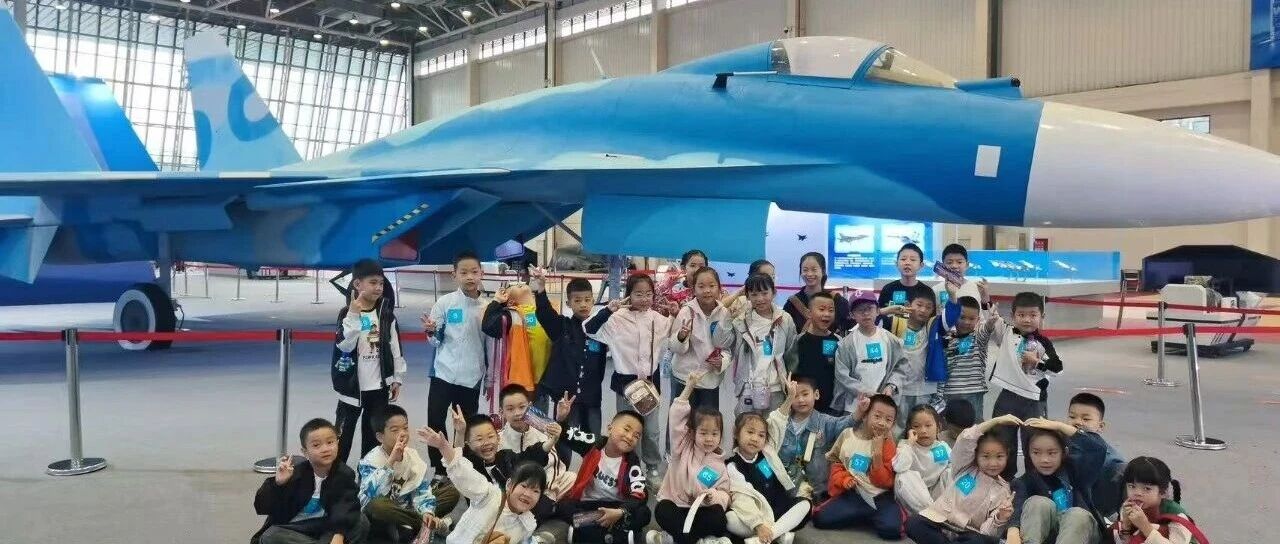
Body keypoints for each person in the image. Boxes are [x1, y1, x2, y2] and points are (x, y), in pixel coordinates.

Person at [585, 272, 674, 485]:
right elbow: (588, 329)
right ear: (629, 295)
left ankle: (652, 467)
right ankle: (630, 467)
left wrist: (675, 313)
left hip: (650, 386)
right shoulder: (616, 319)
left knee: (651, 431)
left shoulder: (657, 319)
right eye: (638, 294)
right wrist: (608, 310)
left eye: (648, 294)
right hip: (626, 385)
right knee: (627, 430)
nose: (644, 299)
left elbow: (676, 332)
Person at [904, 415, 1023, 544]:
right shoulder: (965, 466)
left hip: (968, 534)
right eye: (986, 456)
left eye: (999, 456)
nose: (993, 463)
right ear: (976, 455)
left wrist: (1000, 517)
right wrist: (996, 421)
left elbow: (987, 533)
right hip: (941, 522)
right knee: (914, 523)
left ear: (1007, 456)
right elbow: (966, 439)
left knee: (977, 541)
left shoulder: (1003, 491)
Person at [529, 269, 607, 464]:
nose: (583, 304)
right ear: (568, 303)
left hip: (592, 397)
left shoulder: (602, 330)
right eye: (577, 300)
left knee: (594, 443)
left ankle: (591, 477)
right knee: (564, 439)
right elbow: (545, 314)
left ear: (593, 301)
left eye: (587, 300)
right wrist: (540, 289)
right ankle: (561, 473)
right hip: (566, 399)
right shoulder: (561, 327)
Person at [332, 259, 406, 464]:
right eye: (373, 283)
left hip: (378, 389)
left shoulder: (387, 315)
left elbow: (395, 348)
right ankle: (337, 477)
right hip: (351, 388)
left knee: (373, 438)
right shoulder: (346, 314)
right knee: (342, 436)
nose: (378, 287)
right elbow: (345, 345)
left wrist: (397, 378)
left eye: (381, 283)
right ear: (357, 284)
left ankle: (368, 476)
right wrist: (353, 315)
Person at [421, 250, 488, 475]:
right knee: (435, 421)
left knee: (466, 425)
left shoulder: (488, 307)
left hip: (471, 376)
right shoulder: (445, 303)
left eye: (474, 272)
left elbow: (491, 346)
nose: (470, 277)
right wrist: (431, 332)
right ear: (454, 275)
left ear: (481, 273)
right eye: (464, 272)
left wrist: (489, 378)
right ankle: (440, 470)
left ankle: (464, 468)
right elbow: (434, 341)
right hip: (443, 373)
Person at [417, 426, 545, 544]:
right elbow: (464, 473)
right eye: (524, 486)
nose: (527, 494)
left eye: (535, 491)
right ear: (509, 484)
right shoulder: (490, 495)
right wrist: (443, 447)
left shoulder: (528, 524)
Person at [252, 418, 369, 544]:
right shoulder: (296, 473)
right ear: (305, 452)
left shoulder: (344, 474)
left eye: (330, 442)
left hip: (326, 526)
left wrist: (338, 535)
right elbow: (262, 507)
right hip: (295, 527)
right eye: (316, 445)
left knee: (360, 520)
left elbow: (345, 506)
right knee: (271, 535)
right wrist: (278, 483)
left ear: (337, 443)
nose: (325, 449)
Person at [986, 292, 1063, 480]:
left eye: (1032, 315)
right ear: (1013, 316)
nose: (1027, 319)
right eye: (1021, 315)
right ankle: (1004, 479)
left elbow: (1058, 368)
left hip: (1034, 400)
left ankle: (1034, 480)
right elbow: (991, 317)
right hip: (1008, 395)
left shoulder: (1043, 343)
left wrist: (1037, 362)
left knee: (1035, 442)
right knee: (1002, 439)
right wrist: (985, 298)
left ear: (1042, 317)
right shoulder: (1007, 333)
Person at [651, 372, 733, 544]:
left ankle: (675, 538)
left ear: (720, 436)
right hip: (677, 506)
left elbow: (725, 493)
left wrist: (713, 496)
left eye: (714, 434)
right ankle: (697, 540)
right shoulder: (681, 448)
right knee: (662, 510)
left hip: (700, 511)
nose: (709, 439)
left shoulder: (720, 463)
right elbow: (675, 417)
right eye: (703, 433)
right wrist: (689, 387)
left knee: (719, 518)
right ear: (693, 433)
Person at [811, 394, 902, 540]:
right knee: (820, 519)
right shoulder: (847, 435)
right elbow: (836, 464)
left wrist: (877, 453)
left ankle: (865, 515)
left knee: (892, 530)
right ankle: (862, 515)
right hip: (855, 495)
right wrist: (844, 480)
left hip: (880, 497)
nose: (882, 423)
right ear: (865, 416)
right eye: (877, 416)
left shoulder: (888, 444)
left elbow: (883, 482)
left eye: (888, 420)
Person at [1006, 418, 1111, 544]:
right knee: (1037, 503)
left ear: (1064, 452)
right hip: (1048, 537)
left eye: (1052, 453)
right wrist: (1013, 531)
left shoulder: (1077, 470)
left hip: (1084, 534)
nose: (1044, 459)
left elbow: (1098, 448)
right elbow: (1016, 508)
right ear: (1028, 453)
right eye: (1036, 453)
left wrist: (1060, 427)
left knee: (1076, 515)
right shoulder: (1024, 482)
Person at [357, 405, 454, 541]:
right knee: (377, 506)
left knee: (452, 492)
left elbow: (421, 489)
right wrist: (390, 462)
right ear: (380, 437)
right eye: (395, 430)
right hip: (385, 512)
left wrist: (427, 511)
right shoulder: (371, 460)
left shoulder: (412, 455)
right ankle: (427, 525)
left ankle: (417, 524)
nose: (402, 434)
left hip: (408, 508)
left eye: (405, 428)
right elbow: (368, 496)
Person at [556, 410, 653, 544]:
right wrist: (561, 419)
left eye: (636, 436)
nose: (630, 437)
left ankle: (585, 531)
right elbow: (568, 435)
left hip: (615, 507)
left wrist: (620, 512)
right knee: (563, 506)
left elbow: (639, 493)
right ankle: (616, 535)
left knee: (644, 513)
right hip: (588, 504)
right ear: (610, 428)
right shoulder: (594, 444)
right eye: (626, 429)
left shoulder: (632, 461)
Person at [768, 376, 864, 503]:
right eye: (795, 396)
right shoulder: (781, 423)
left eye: (805, 394)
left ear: (816, 394)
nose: (801, 400)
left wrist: (860, 410)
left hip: (819, 493)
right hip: (786, 491)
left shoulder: (825, 422)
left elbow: (845, 424)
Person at [725, 412, 812, 544]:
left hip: (778, 511)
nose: (755, 438)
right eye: (750, 432)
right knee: (729, 518)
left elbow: (778, 421)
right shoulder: (733, 466)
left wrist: (790, 400)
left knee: (805, 504)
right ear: (736, 433)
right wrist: (758, 525)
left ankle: (764, 538)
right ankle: (778, 534)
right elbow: (742, 500)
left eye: (761, 435)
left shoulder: (768, 454)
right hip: (755, 516)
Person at [725, 273, 797, 414]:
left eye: (764, 293)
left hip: (776, 388)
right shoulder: (740, 321)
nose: (760, 299)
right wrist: (727, 316)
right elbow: (723, 343)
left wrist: (789, 383)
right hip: (748, 388)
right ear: (747, 296)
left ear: (773, 292)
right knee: (747, 427)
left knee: (776, 426)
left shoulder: (785, 319)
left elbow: (791, 354)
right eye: (754, 294)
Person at [667, 267, 733, 410]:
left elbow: (727, 346)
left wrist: (722, 361)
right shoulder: (686, 311)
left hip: (710, 381)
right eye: (701, 286)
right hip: (685, 379)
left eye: (711, 286)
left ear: (719, 288)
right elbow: (674, 347)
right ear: (694, 289)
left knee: (708, 422)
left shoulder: (725, 314)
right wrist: (681, 337)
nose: (707, 290)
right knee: (680, 420)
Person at [833, 297, 909, 415]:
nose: (865, 313)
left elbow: (901, 365)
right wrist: (864, 391)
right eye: (860, 310)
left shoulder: (890, 340)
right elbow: (842, 375)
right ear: (852, 315)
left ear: (878, 311)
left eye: (869, 308)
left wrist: (891, 386)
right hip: (854, 408)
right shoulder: (846, 345)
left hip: (883, 406)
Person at [1112, 457, 1206, 544]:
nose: (1137, 493)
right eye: (1132, 486)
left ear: (1163, 492)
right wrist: (1126, 526)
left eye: (1147, 488)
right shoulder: (1128, 507)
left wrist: (1145, 527)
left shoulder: (1177, 515)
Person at [882, 291, 941, 426]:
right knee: (897, 429)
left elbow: (949, 318)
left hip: (923, 390)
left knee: (920, 428)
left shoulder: (931, 328)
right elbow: (871, 319)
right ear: (908, 305)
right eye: (919, 305)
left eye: (928, 307)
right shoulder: (895, 325)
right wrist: (887, 310)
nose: (923, 310)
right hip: (899, 388)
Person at [1068, 393, 1127, 523]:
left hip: (1093, 517)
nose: (1077, 422)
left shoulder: (1114, 464)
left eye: (1086, 419)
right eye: (1072, 417)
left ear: (1100, 426)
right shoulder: (1060, 447)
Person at [783, 291, 843, 415]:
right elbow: (790, 373)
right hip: (803, 408)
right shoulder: (798, 341)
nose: (826, 314)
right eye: (821, 309)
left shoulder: (839, 342)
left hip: (831, 409)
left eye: (831, 310)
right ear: (809, 313)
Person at [482, 282, 546, 392]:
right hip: (523, 382)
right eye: (513, 285)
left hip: (546, 380)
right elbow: (488, 325)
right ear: (510, 301)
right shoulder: (511, 315)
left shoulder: (546, 310)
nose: (520, 283)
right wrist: (497, 301)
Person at [938, 295, 993, 419]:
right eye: (962, 317)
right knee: (949, 426)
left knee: (974, 427)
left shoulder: (978, 337)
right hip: (949, 392)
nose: (966, 322)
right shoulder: (946, 339)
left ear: (978, 320)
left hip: (973, 391)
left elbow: (987, 330)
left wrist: (990, 322)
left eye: (971, 319)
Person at [892, 405, 952, 515]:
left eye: (928, 425)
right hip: (913, 498)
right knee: (904, 475)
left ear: (938, 427)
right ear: (910, 429)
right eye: (916, 426)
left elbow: (957, 467)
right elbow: (899, 467)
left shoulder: (942, 447)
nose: (923, 430)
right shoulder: (905, 446)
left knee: (951, 471)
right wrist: (909, 444)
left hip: (934, 496)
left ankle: (941, 512)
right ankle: (931, 515)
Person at [784, 252, 854, 334]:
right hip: (800, 342)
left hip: (831, 342)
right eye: (805, 270)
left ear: (823, 271)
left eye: (814, 270)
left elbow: (850, 324)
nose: (809, 274)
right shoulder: (792, 303)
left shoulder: (836, 300)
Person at [878, 243, 936, 326]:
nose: (907, 262)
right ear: (896, 263)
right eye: (903, 259)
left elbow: (932, 321)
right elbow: (876, 316)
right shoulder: (888, 289)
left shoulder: (927, 291)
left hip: (918, 334)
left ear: (921, 265)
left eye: (913, 260)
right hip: (889, 334)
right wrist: (886, 310)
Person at [933, 244, 989, 327]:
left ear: (967, 265)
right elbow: (933, 319)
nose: (954, 266)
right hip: (945, 333)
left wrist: (986, 299)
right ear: (943, 265)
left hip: (971, 333)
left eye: (959, 262)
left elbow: (983, 318)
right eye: (949, 262)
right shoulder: (936, 289)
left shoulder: (976, 288)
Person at [656, 249, 708, 313]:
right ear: (683, 268)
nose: (697, 269)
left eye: (701, 266)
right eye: (692, 265)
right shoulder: (675, 290)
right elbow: (656, 302)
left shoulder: (709, 290)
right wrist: (666, 285)